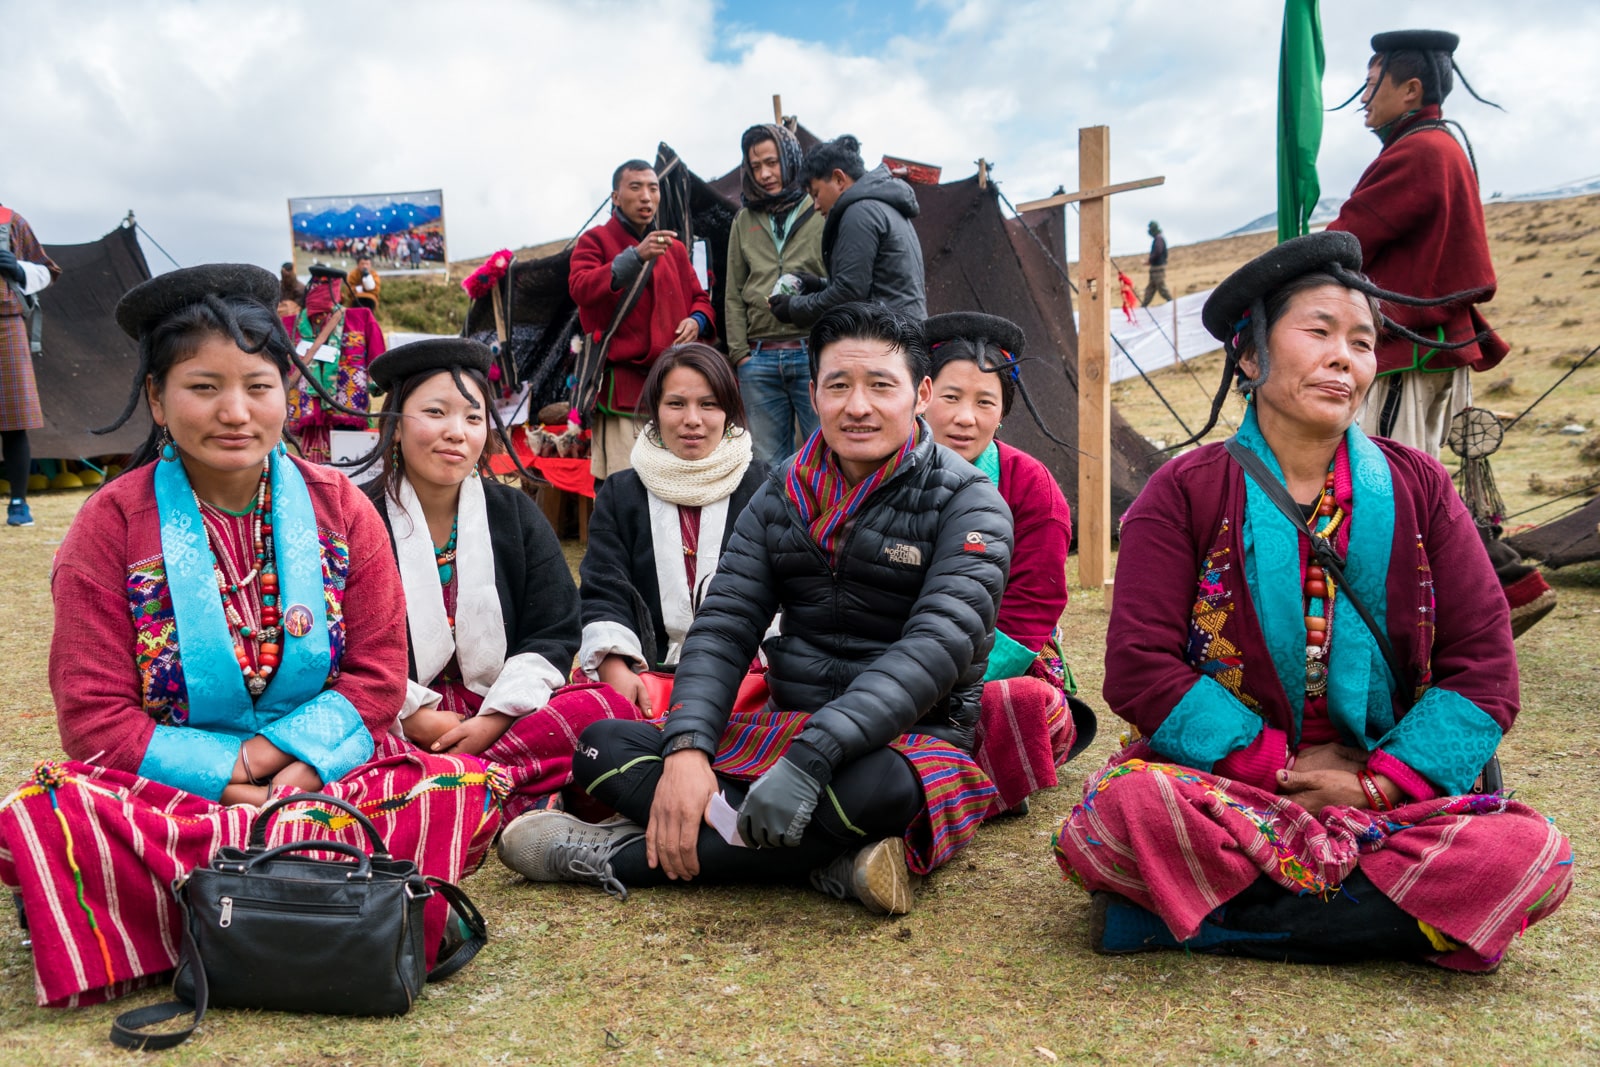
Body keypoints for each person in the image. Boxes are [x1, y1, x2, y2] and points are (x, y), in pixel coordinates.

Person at [1052, 233, 1571, 971]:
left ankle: (1210, 919)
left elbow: (1484, 667)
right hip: (1231, 787)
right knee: (1124, 814)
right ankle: (1394, 922)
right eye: (1319, 331)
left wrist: (1374, 781)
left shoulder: (1420, 486)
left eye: (1362, 342)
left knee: (1532, 852)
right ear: (1252, 355)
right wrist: (1282, 768)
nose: (1345, 358)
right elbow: (1140, 668)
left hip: (1392, 793)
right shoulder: (1183, 491)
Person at [0, 266, 500, 1007]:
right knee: (44, 812)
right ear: (156, 401)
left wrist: (281, 764)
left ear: (287, 396)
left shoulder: (341, 509)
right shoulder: (108, 525)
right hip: (167, 791)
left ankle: (187, 909)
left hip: (322, 775)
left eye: (259, 386)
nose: (235, 411)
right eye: (204, 387)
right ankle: (321, 902)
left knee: (451, 786)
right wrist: (230, 777)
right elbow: (93, 717)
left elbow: (376, 677)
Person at [497, 303, 1012, 915]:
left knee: (885, 790)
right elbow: (724, 624)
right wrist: (687, 751)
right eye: (838, 385)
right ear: (814, 392)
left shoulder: (970, 504)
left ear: (920, 394)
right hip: (784, 728)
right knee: (598, 745)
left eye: (881, 386)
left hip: (903, 741)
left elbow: (937, 647)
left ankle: (613, 859)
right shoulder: (783, 492)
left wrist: (814, 756)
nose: (858, 406)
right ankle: (835, 862)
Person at [1325, 29, 1552, 635]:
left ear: (1411, 89)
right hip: (1419, 344)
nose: (1363, 102)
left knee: (1398, 479)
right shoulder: (1433, 145)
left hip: (1406, 348)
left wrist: (1283, 270)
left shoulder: (1420, 151)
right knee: (1398, 478)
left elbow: (1352, 237)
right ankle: (1463, 601)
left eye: (1372, 86)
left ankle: (1504, 588)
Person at [359, 337, 642, 820]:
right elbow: (344, 645)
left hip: (501, 710)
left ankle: (444, 791)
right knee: (343, 737)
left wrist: (492, 720)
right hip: (394, 713)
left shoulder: (514, 513)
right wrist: (415, 715)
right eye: (435, 412)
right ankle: (499, 791)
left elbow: (552, 630)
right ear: (395, 424)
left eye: (472, 418)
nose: (456, 432)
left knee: (606, 709)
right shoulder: (357, 515)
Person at [921, 312, 1095, 816]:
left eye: (985, 403)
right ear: (921, 396)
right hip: (889, 655)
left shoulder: (1031, 487)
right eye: (950, 398)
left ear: (1003, 413)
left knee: (1019, 707)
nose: (965, 418)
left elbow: (1030, 612)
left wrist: (927, 691)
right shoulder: (881, 469)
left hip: (990, 670)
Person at [575, 343, 768, 710]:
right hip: (645, 674)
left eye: (708, 404)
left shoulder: (765, 488)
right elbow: (604, 589)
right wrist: (615, 666)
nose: (692, 419)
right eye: (676, 404)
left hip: (749, 675)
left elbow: (791, 595)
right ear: (656, 410)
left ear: (728, 411)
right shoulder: (621, 493)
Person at [569, 159, 715, 481]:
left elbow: (701, 299)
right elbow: (580, 288)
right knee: (626, 483)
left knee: (676, 480)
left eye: (653, 188)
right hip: (624, 387)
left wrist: (697, 320)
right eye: (635, 187)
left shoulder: (675, 249)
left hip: (673, 384)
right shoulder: (595, 241)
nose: (646, 196)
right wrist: (635, 257)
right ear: (616, 198)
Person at [725, 123, 827, 466]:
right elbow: (734, 292)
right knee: (768, 465)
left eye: (772, 162)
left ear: (790, 159)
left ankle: (823, 522)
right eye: (756, 167)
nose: (765, 173)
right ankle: (780, 523)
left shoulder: (819, 209)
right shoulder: (744, 219)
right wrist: (740, 354)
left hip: (814, 350)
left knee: (825, 455)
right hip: (759, 358)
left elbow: (839, 279)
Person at [769, 136, 926, 328]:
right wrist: (818, 285)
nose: (816, 206)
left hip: (886, 337)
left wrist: (793, 307)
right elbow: (875, 286)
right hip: (903, 330)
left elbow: (849, 295)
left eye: (816, 194)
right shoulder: (884, 206)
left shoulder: (859, 213)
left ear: (839, 179)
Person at [283, 263, 386, 463]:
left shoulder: (361, 318)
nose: (319, 289)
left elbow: (377, 358)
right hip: (309, 414)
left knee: (349, 470)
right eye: (317, 285)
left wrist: (376, 383)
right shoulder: (290, 323)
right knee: (312, 473)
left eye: (324, 284)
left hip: (347, 412)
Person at [0, 204, 60, 527]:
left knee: (13, 418)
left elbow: (49, 271)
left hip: (7, 324)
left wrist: (19, 268)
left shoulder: (11, 222)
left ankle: (18, 503)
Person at [1141, 221, 1171, 307]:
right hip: (1155, 268)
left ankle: (1171, 303)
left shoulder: (1159, 239)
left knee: (1161, 287)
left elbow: (1157, 251)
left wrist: (1149, 261)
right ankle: (1144, 306)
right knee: (1150, 288)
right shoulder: (1158, 239)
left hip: (1158, 268)